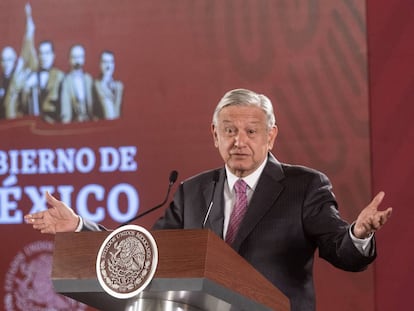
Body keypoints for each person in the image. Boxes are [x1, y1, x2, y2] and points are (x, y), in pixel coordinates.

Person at [25, 88, 392, 311]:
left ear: (271, 137)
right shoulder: (192, 191)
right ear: (214, 134)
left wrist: (358, 232)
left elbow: (340, 249)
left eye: (251, 131)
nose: (239, 141)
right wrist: (79, 226)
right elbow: (145, 255)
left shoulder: (304, 186)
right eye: (230, 131)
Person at [0, 4, 37, 119]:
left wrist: (28, 17)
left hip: (17, 123)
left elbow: (26, 48)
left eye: (9, 59)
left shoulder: (19, 74)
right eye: (3, 60)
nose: (6, 63)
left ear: (15, 60)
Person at [21, 40, 65, 122]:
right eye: (41, 53)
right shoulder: (31, 77)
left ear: (53, 55)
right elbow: (23, 106)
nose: (43, 57)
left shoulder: (60, 76)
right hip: (34, 124)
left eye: (47, 53)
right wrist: (26, 88)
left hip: (55, 123)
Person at [60, 44, 94, 123]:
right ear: (69, 59)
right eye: (74, 57)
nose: (77, 61)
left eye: (80, 57)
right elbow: (65, 109)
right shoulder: (66, 81)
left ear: (84, 59)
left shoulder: (89, 79)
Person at [92, 50, 123, 120]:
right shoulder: (95, 85)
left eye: (111, 62)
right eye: (105, 62)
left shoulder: (119, 86)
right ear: (99, 64)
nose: (108, 66)